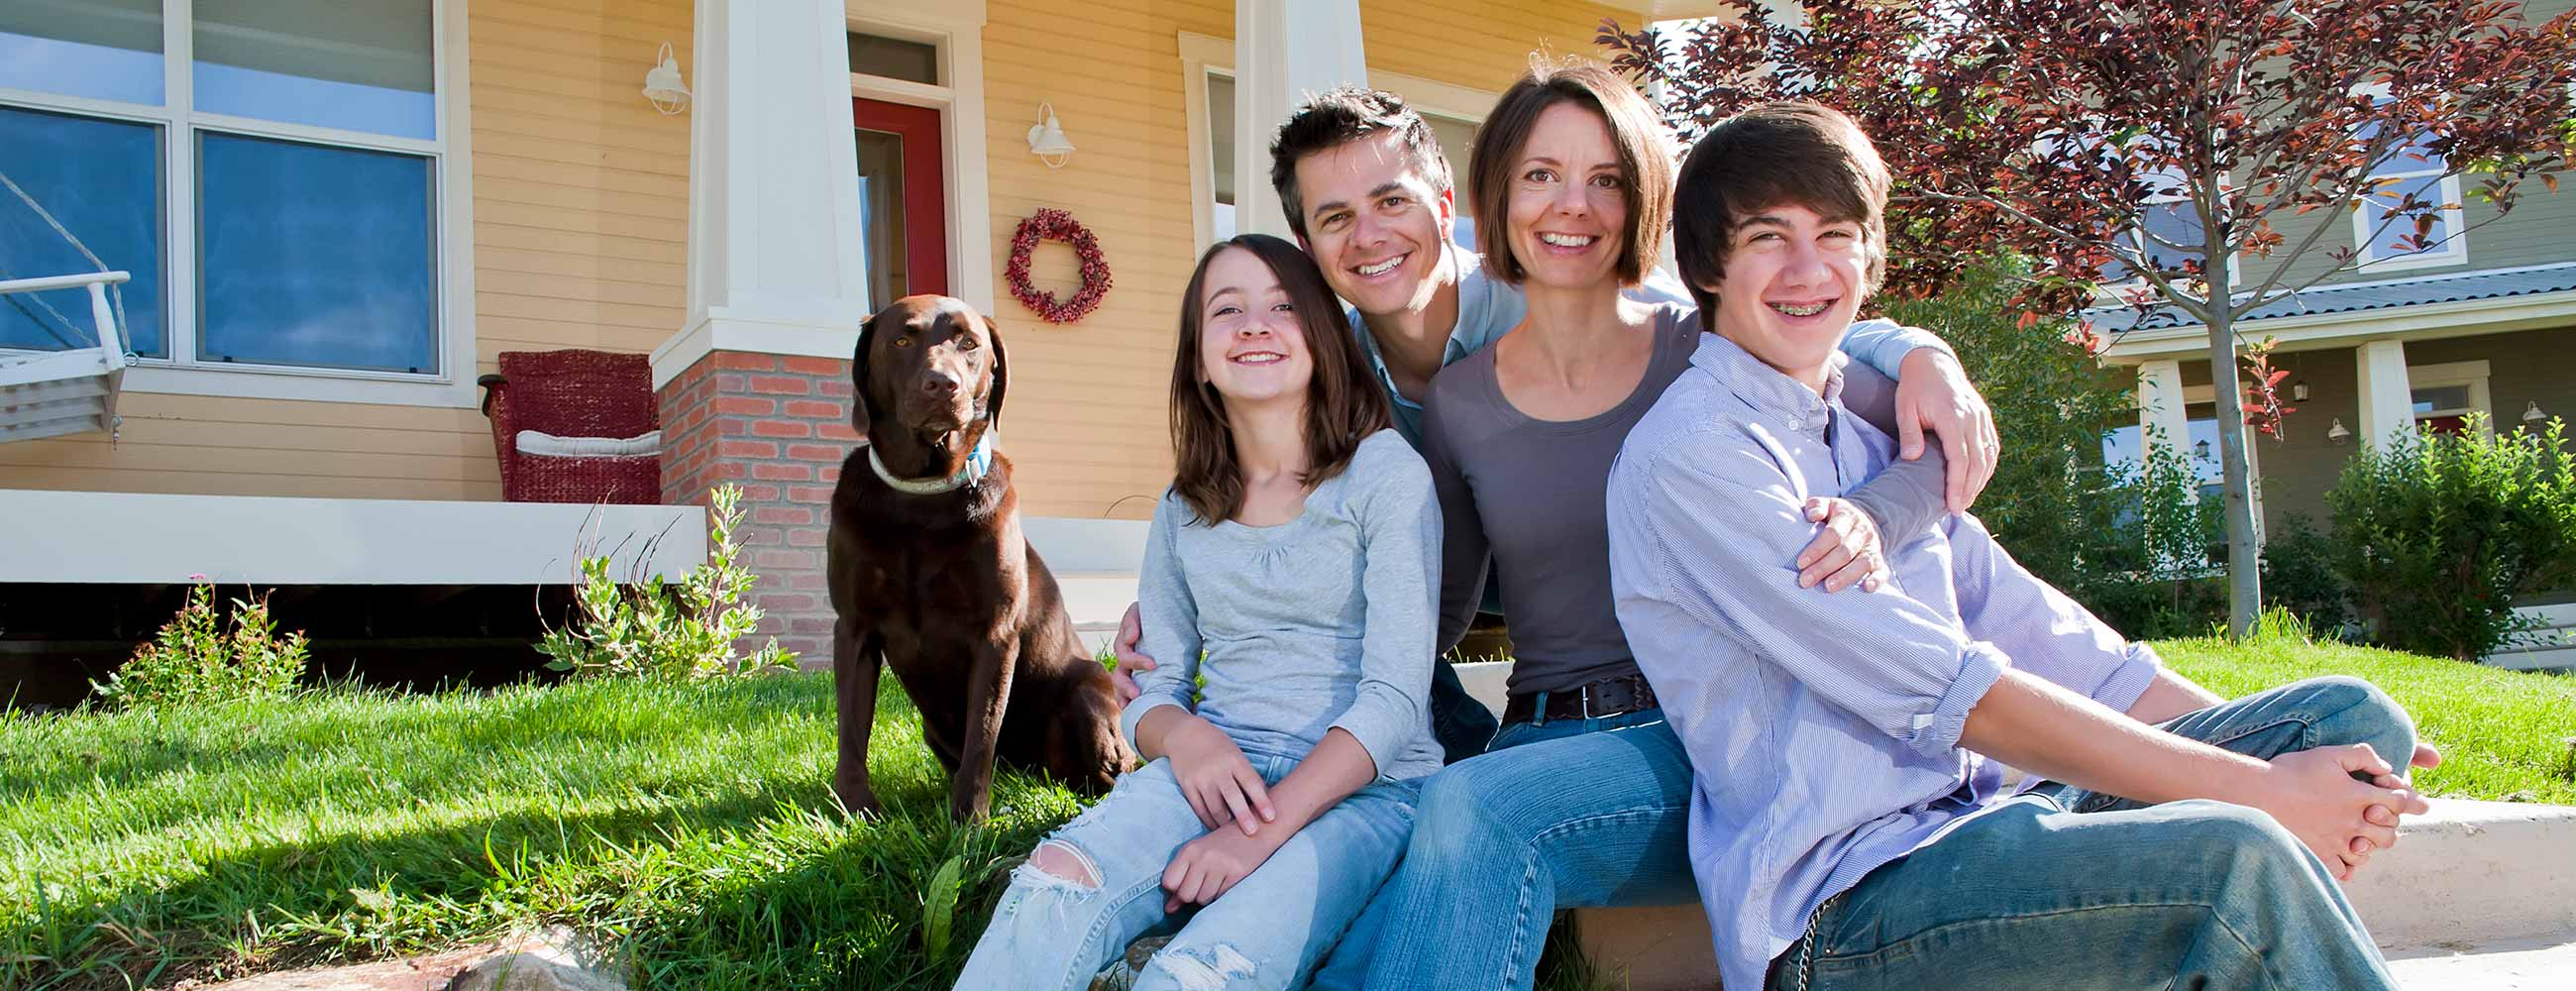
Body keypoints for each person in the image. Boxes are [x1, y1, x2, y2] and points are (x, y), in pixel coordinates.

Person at [1605, 100, 2438, 991]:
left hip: (1986, 820)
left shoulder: (1866, 424)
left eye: (1836, 234)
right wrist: (2266, 795)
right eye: (1768, 237)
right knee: (2239, 857)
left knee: (2346, 724)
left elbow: (2053, 639)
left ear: (1871, 255)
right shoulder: (1695, 457)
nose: (1808, 269)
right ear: (1708, 266)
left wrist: (2270, 762)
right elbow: (1966, 698)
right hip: (1853, 905)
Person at [1116, 83, 2002, 765]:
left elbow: (1764, 321)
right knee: (1389, 661)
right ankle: (1419, 765)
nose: (1371, 235)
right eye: (1336, 218)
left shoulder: (1554, 292)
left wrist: (1923, 352)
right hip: (1452, 584)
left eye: (1392, 201)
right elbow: (1255, 496)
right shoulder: (1319, 363)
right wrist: (1186, 600)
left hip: (1634, 580)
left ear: (1447, 201)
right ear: (1308, 245)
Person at [1311, 65, 1964, 991]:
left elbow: (1929, 438)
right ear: (1498, 193)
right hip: (1533, 738)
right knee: (1361, 924)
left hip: (1695, 745)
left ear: (1643, 198)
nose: (1570, 206)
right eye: (1540, 175)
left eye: (1605, 179)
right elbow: (1435, 614)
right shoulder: (1458, 404)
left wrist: (1875, 507)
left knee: (1476, 812)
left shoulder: (1704, 346)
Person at [951, 235, 1443, 991]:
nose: (1254, 325)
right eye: (1227, 310)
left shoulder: (1385, 476)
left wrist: (1254, 838)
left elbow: (1398, 701)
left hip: (1365, 791)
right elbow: (1146, 687)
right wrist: (1188, 739)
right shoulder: (1185, 507)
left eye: (1282, 306)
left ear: (1322, 335)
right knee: (1050, 884)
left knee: (1203, 973)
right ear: (1197, 356)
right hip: (1214, 767)